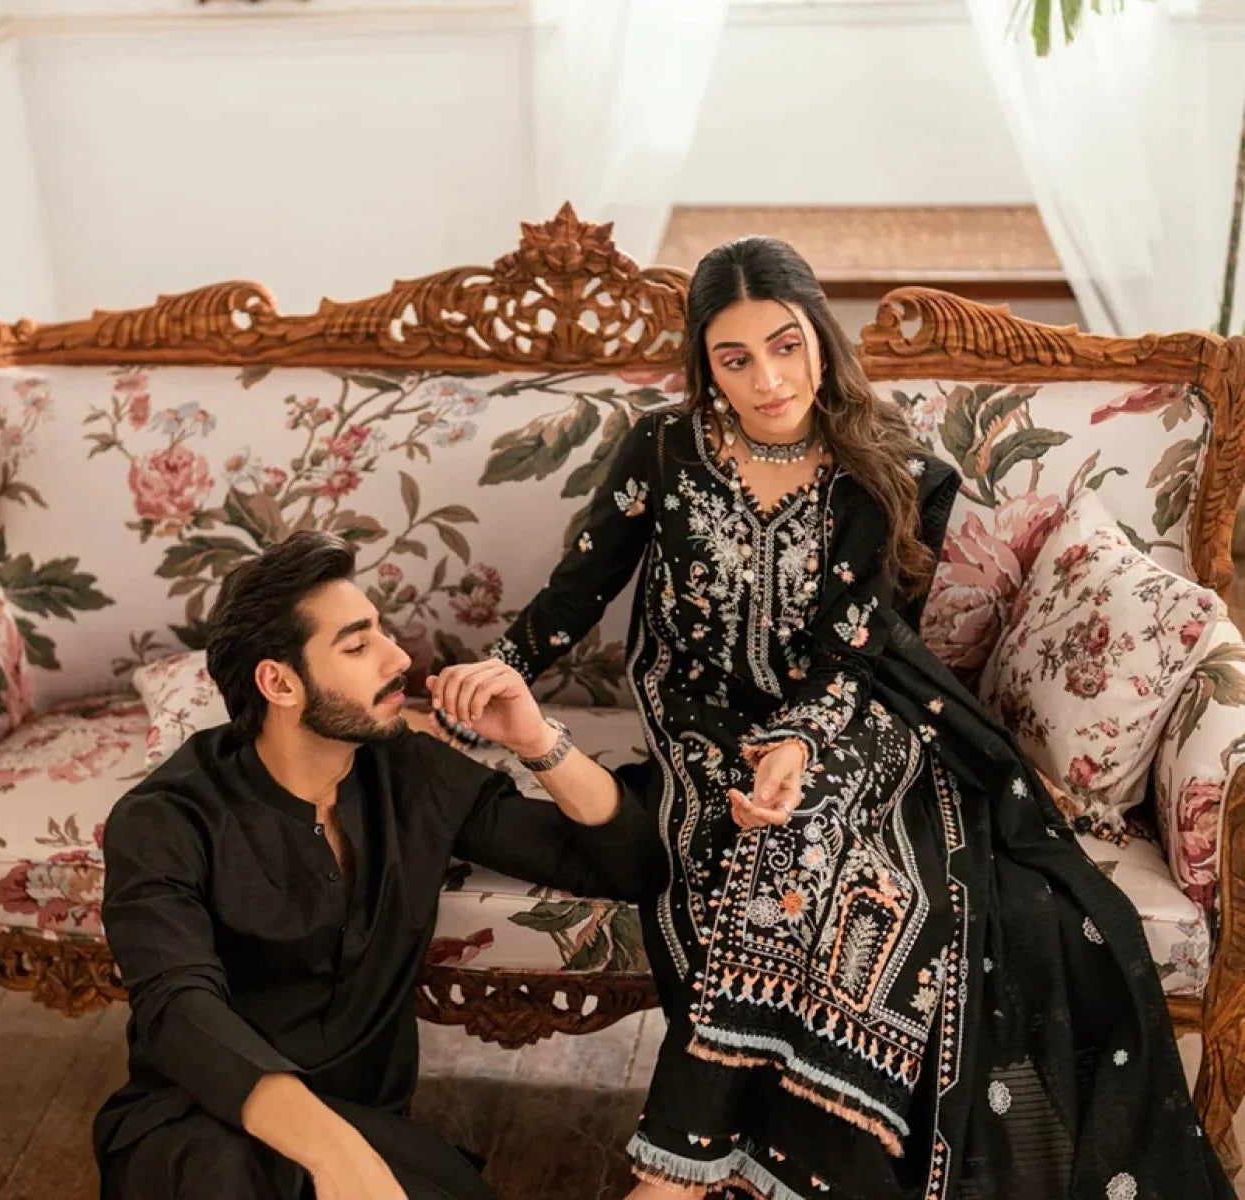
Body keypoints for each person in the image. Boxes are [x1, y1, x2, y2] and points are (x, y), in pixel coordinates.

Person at [486, 235, 1233, 1199]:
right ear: (703, 363)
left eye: (786, 345)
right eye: (735, 357)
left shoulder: (889, 469)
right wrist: (481, 689)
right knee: (755, 844)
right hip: (701, 722)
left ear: (820, 340)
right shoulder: (664, 453)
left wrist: (800, 742)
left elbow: (869, 644)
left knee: (810, 846)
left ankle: (676, 1175)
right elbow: (575, 593)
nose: (767, 379)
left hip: (858, 713)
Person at [93, 529, 664, 1199]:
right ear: (279, 682)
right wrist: (336, 1156)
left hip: (366, 1128)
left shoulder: (409, 772)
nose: (399, 657)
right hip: (198, 1126)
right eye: (358, 645)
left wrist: (536, 739)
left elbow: (628, 866)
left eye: (382, 634)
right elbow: (178, 1012)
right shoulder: (163, 821)